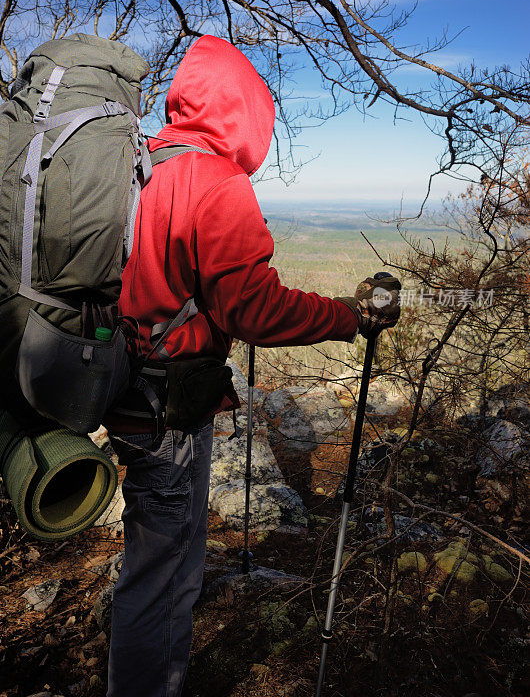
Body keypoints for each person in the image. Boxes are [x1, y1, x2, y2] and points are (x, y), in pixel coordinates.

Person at [104, 35, 400, 697]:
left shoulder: (139, 165)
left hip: (121, 389)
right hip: (169, 406)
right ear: (244, 111)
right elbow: (255, 310)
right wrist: (350, 318)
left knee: (162, 557)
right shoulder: (217, 180)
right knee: (161, 571)